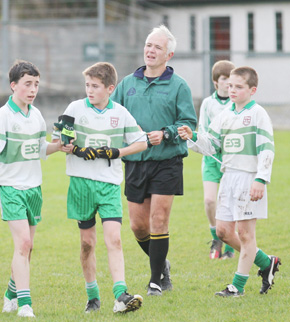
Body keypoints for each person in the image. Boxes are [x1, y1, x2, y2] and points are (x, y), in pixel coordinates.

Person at [178, 66, 281, 297]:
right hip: (228, 178)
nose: (232, 90)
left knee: (245, 234)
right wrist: (192, 136)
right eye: (230, 85)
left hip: (249, 178)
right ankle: (266, 263)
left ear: (252, 90)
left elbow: (267, 148)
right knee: (223, 232)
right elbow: (211, 146)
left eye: (238, 86)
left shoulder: (258, 114)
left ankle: (237, 287)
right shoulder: (225, 114)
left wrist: (260, 179)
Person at [111, 25, 197, 296]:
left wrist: (167, 132)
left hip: (167, 161)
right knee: (138, 226)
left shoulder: (179, 85)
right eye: (149, 45)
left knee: (159, 220)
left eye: (157, 47)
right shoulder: (127, 83)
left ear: (168, 54)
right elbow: (111, 115)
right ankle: (162, 265)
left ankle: (155, 282)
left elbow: (187, 124)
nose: (150, 50)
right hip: (135, 162)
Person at [53, 62, 145, 313]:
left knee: (114, 239)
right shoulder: (75, 108)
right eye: (87, 85)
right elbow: (59, 138)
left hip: (110, 185)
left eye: (95, 86)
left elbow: (142, 142)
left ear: (110, 88)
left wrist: (117, 152)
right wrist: (66, 143)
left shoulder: (121, 113)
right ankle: (93, 296)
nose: (90, 90)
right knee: (87, 244)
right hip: (81, 184)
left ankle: (120, 295)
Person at [0, 60, 62, 318]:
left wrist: (58, 146)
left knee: (28, 247)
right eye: (27, 84)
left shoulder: (36, 115)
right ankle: (25, 305)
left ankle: (10, 294)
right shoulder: (3, 116)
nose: (32, 89)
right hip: (10, 187)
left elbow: (40, 149)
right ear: (13, 85)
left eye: (36, 84)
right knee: (23, 243)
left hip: (33, 188)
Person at [197, 60, 236, 260]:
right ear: (215, 82)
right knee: (210, 200)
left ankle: (229, 245)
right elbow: (202, 129)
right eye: (224, 80)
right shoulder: (208, 103)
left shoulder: (236, 103)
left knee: (228, 202)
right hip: (211, 158)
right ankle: (216, 237)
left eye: (232, 81)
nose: (228, 84)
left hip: (231, 158)